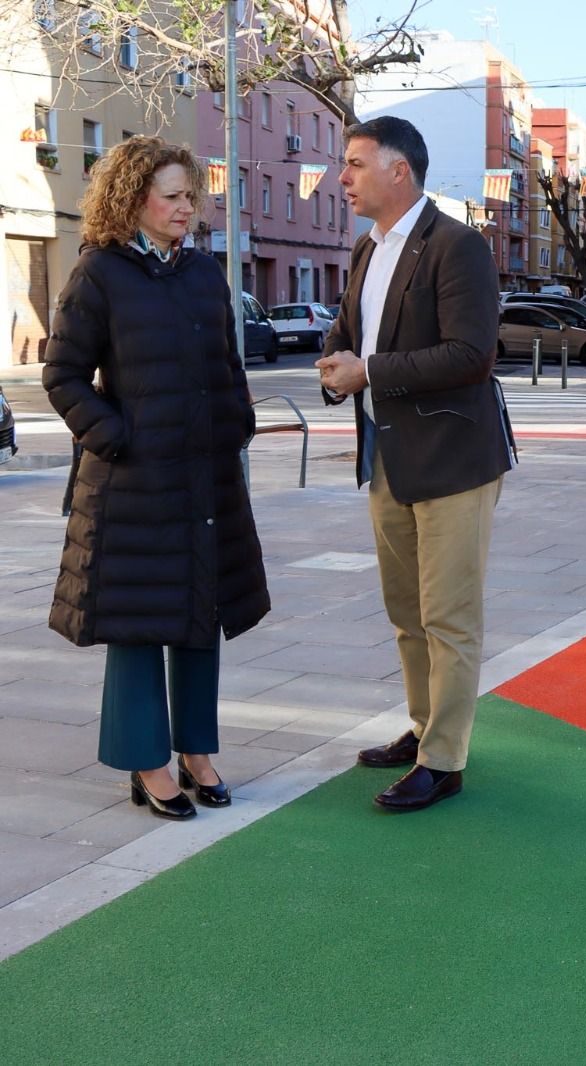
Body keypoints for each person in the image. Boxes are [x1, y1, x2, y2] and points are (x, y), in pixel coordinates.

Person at [43, 136, 270, 820]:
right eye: (171, 196)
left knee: (203, 612)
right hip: (134, 482)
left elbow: (227, 367)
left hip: (207, 477)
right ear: (133, 199)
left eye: (189, 195)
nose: (186, 207)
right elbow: (63, 376)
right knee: (140, 622)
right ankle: (148, 764)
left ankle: (198, 752)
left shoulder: (203, 273)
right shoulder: (100, 273)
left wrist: (238, 426)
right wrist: (116, 438)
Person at [317, 116, 513, 813]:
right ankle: (425, 725)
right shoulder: (368, 249)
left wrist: (366, 371)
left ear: (400, 171)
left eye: (355, 164)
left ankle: (445, 760)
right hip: (388, 457)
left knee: (448, 615)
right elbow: (349, 332)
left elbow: (471, 355)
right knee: (406, 612)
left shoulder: (456, 247)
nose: (343, 177)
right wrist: (337, 363)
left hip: (454, 462)